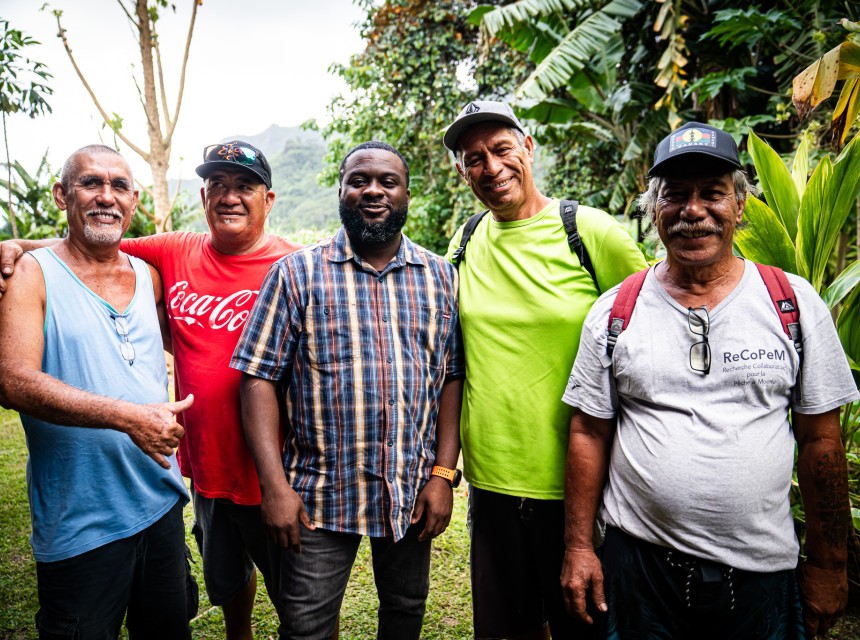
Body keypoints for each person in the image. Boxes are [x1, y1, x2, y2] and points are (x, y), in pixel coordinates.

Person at [560, 121, 860, 639]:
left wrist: (831, 564)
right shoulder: (615, 311)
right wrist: (579, 547)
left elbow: (821, 439)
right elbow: (588, 431)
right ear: (655, 211)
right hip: (640, 570)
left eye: (712, 194)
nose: (692, 211)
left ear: (739, 207)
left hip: (762, 574)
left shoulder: (791, 303)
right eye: (674, 195)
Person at [0, 140, 302, 640]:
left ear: (267, 201)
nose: (229, 197)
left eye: (244, 186)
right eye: (217, 186)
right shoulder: (171, 252)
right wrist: (18, 247)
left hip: (258, 474)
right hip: (194, 475)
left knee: (300, 601)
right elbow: (88, 248)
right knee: (226, 579)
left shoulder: (293, 267)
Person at [232, 141, 464, 640]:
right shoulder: (297, 274)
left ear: (406, 194)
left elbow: (450, 378)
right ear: (341, 191)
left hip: (410, 489)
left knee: (405, 611)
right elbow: (258, 380)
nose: (373, 191)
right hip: (317, 494)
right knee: (307, 624)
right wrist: (274, 488)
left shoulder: (441, 278)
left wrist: (443, 474)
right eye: (359, 180)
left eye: (388, 181)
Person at [442, 100, 648, 639]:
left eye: (501, 149)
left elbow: (651, 331)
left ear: (528, 147)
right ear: (462, 172)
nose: (491, 167)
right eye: (474, 158)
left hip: (580, 480)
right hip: (491, 482)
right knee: (508, 627)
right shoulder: (464, 241)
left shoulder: (590, 233)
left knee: (583, 624)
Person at [0, 145, 193, 638]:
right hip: (80, 521)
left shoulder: (150, 278)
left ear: (133, 203)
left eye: (119, 186)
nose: (106, 196)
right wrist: (128, 416)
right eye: (91, 183)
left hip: (161, 504)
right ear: (62, 195)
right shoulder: (30, 274)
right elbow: (13, 381)